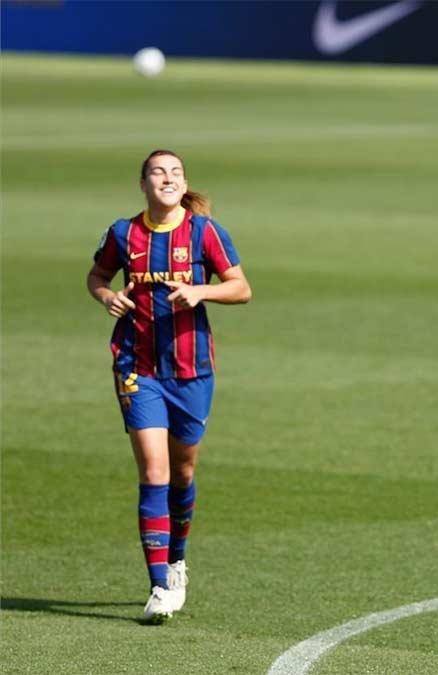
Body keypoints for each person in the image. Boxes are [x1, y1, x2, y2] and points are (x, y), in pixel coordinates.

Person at [86, 149, 251, 623]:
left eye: (175, 172)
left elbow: (240, 286)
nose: (168, 178)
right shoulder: (124, 233)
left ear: (184, 182)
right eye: (158, 172)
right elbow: (97, 275)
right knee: (154, 468)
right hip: (137, 366)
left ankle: (177, 558)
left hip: (191, 369)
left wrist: (202, 291)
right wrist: (107, 296)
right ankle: (159, 584)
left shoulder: (204, 232)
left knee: (182, 471)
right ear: (143, 184)